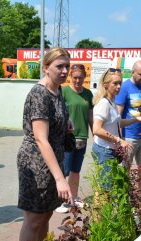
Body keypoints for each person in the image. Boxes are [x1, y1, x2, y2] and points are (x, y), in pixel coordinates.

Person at [17, 47, 73, 241]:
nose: (65, 70)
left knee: (47, 215)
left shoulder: (57, 90)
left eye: (67, 66)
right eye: (59, 66)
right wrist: (61, 178)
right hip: (36, 163)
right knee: (34, 218)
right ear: (46, 67)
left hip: (52, 161)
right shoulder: (39, 93)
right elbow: (40, 138)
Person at [92, 68, 141, 180]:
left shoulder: (112, 101)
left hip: (110, 149)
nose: (119, 86)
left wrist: (136, 119)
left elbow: (117, 123)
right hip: (104, 150)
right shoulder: (104, 103)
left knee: (107, 186)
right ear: (105, 85)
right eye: (115, 83)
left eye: (120, 83)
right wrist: (119, 140)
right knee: (105, 187)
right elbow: (96, 130)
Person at [55, 64, 93, 213]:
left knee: (76, 170)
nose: (78, 81)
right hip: (67, 138)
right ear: (71, 76)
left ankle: (74, 197)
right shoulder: (63, 91)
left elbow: (90, 116)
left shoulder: (88, 94)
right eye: (75, 77)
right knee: (64, 170)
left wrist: (94, 133)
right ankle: (63, 201)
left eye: (81, 78)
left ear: (84, 77)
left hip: (82, 137)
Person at [115, 60, 141, 169]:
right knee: (124, 169)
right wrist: (120, 139)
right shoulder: (124, 87)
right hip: (128, 137)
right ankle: (125, 187)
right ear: (133, 72)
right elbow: (118, 115)